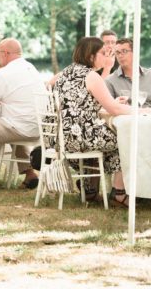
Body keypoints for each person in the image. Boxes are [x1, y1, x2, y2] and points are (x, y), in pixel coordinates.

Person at [55, 36, 144, 206]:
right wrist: (143, 111)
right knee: (124, 140)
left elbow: (82, 104)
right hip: (79, 137)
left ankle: (90, 188)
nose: (107, 57)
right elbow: (114, 110)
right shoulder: (90, 76)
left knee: (107, 140)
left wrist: (112, 104)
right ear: (91, 56)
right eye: (103, 53)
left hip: (62, 137)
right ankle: (119, 193)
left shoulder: (66, 72)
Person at [0, 38, 42, 190]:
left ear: (5, 53)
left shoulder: (4, 73)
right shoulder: (31, 68)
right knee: (9, 124)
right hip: (38, 129)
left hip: (19, 128)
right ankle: (30, 174)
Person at [105, 37, 151, 107]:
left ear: (135, 52)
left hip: (150, 116)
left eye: (124, 51)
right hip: (124, 116)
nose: (120, 55)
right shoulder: (110, 81)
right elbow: (107, 108)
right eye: (117, 52)